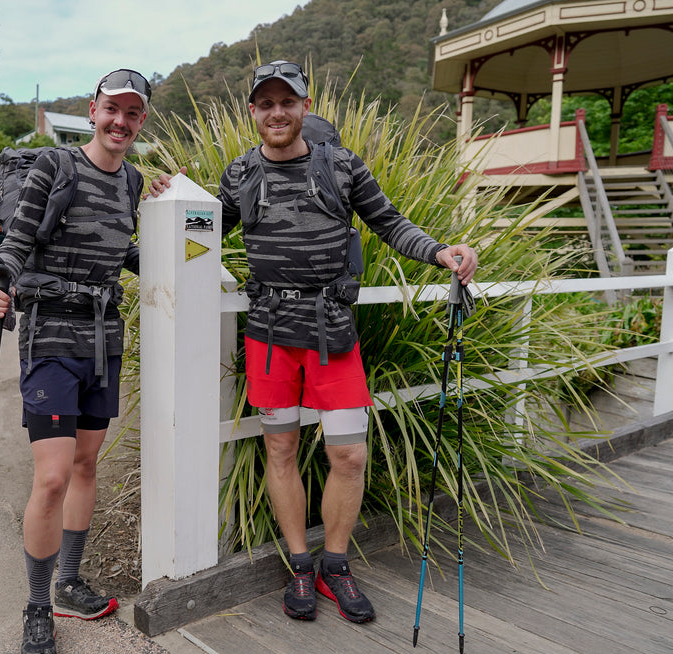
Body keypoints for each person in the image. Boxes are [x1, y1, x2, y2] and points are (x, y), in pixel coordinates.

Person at [150, 60, 478, 624]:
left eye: (287, 102)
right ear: (253, 111)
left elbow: (389, 221)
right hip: (271, 335)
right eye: (266, 103)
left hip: (334, 333)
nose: (277, 112)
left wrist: (439, 251)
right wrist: (170, 202)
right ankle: (299, 566)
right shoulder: (238, 174)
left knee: (348, 453)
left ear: (304, 107)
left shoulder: (343, 166)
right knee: (279, 448)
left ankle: (335, 564)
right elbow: (201, 235)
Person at [0, 68, 152, 654]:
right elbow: (18, 241)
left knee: (84, 463)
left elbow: (128, 250)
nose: (120, 122)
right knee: (51, 477)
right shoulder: (57, 167)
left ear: (141, 121)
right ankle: (36, 609)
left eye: (133, 113)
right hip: (51, 334)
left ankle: (70, 584)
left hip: (105, 339)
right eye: (112, 109)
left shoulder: (133, 181)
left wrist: (182, 222)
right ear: (93, 109)